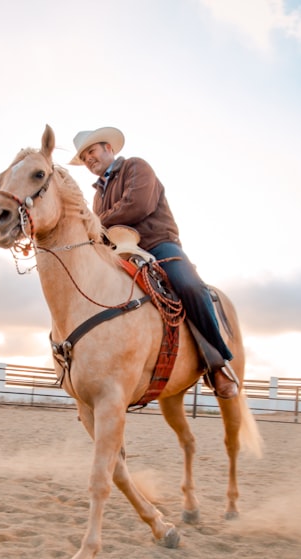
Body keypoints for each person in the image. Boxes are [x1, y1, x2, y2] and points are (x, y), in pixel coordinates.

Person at [69, 126, 240, 399]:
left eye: (92, 151)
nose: (89, 159)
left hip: (158, 245)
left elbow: (138, 205)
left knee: (189, 286)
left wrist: (94, 222)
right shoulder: (98, 194)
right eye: (84, 156)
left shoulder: (137, 166)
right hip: (121, 251)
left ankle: (218, 364)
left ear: (109, 149)